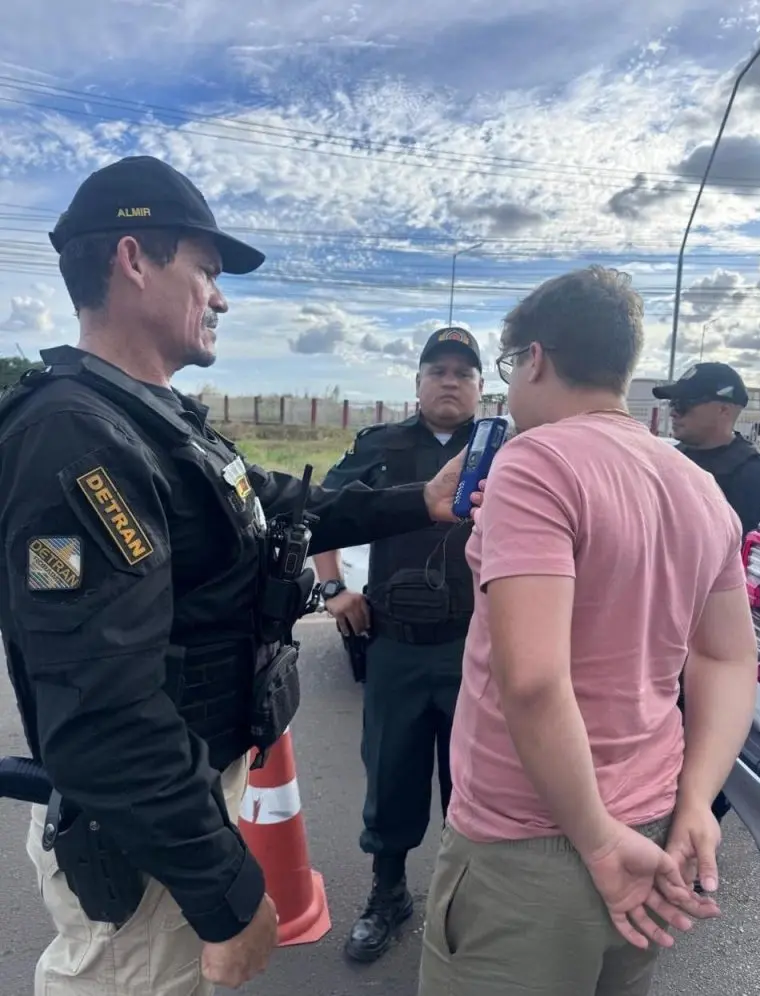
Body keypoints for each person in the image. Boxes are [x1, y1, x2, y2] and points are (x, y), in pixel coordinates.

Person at [0, 155, 479, 996]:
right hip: (143, 831)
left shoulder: (155, 420)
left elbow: (277, 507)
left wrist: (422, 501)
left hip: (177, 801)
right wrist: (225, 889)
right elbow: (105, 717)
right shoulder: (78, 439)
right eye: (208, 271)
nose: (221, 297)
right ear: (133, 260)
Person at [418, 265, 757, 996]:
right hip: (657, 821)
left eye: (510, 367)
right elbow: (730, 656)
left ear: (535, 358)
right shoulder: (697, 486)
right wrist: (697, 798)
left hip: (531, 840)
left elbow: (535, 682)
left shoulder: (535, 462)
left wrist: (597, 842)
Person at [313, 326, 485, 964]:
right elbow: (321, 512)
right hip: (395, 647)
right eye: (436, 370)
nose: (449, 380)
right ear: (416, 383)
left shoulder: (510, 449)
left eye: (462, 373)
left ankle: (470, 901)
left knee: (476, 784)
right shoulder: (379, 446)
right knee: (391, 773)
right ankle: (389, 895)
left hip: (477, 650)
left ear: (479, 387)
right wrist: (333, 587)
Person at [652, 361, 760, 826]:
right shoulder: (656, 465)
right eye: (672, 400)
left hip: (720, 650)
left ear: (726, 408)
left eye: (687, 401)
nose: (674, 409)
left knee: (710, 771)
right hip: (650, 643)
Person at [653, 361, 760, 538]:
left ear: (723, 410)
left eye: (684, 403)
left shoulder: (757, 476)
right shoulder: (665, 460)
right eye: (672, 403)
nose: (673, 412)